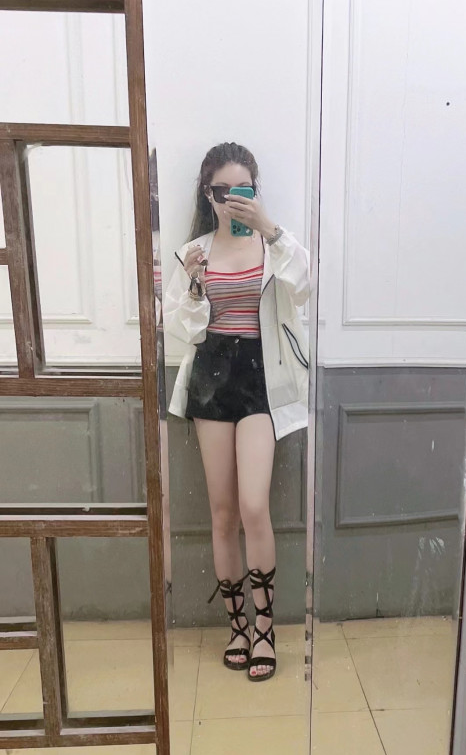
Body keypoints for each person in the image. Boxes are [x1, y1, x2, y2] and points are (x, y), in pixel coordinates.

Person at [164, 142, 312, 681]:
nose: (231, 199)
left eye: (241, 189)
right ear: (207, 194)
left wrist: (269, 227)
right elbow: (183, 330)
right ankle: (238, 628)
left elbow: (305, 288)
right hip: (211, 377)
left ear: (255, 190)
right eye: (221, 190)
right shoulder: (194, 251)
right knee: (223, 512)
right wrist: (195, 285)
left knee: (253, 506)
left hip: (259, 378)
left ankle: (266, 629)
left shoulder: (273, 246)